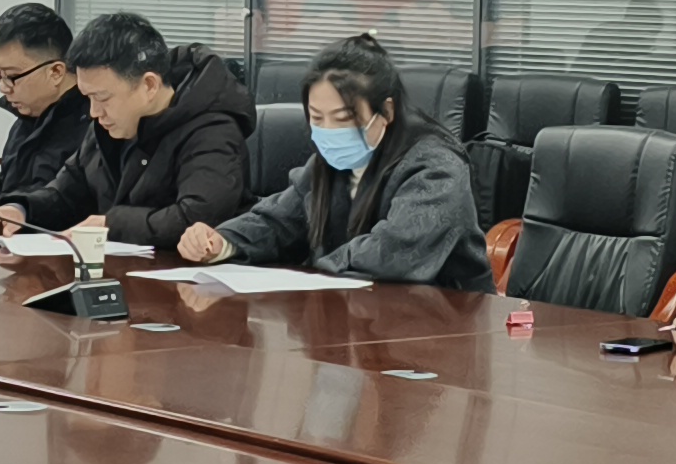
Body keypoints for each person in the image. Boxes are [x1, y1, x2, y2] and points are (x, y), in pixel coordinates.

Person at [181, 35, 488, 288]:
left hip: (441, 322)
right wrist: (222, 241)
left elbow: (392, 254)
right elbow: (278, 222)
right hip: (352, 316)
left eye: (343, 118)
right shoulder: (330, 163)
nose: (329, 131)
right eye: (317, 118)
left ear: (386, 111)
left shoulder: (437, 168)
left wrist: (308, 272)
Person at [0, 13, 252, 253]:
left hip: (190, 281)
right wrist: (22, 209)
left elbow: (196, 218)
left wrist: (112, 224)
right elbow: (67, 191)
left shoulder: (212, 129)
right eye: (88, 97)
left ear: (149, 85)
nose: (94, 112)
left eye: (102, 98)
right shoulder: (108, 125)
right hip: (120, 272)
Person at [0, 1, 96, 214]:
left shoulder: (96, 124)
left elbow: (73, 209)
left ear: (56, 72)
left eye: (12, 76)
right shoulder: (24, 120)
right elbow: (2, 201)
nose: (3, 88)